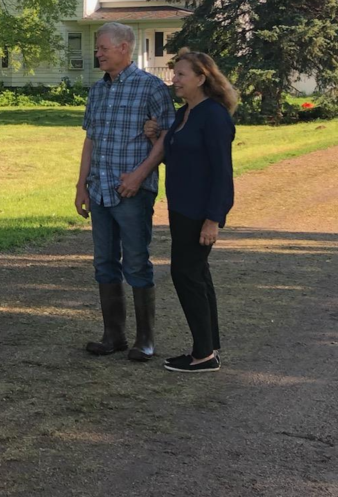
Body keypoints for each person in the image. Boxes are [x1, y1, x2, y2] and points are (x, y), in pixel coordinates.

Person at [76, 23, 175, 361]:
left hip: (133, 191)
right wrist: (81, 185)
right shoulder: (97, 91)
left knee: (136, 262)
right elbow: (90, 139)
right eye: (97, 48)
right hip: (99, 190)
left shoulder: (152, 89)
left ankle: (145, 339)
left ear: (124, 48)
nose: (98, 53)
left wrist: (139, 176)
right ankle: (113, 335)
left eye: (103, 47)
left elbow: (165, 139)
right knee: (104, 262)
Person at [146, 50, 237, 374]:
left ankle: (202, 355)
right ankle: (207, 348)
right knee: (197, 275)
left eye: (182, 75)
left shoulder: (213, 115)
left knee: (186, 275)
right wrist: (157, 137)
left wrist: (213, 218)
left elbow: (222, 173)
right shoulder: (187, 113)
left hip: (200, 212)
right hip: (182, 209)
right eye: (175, 74)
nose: (175, 80)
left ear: (201, 78)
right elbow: (184, 158)